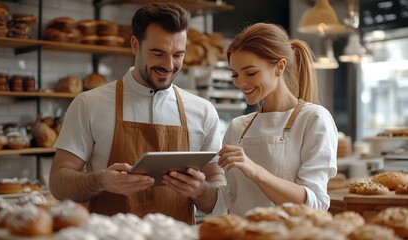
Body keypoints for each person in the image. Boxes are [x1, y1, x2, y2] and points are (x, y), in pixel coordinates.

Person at [49, 2, 225, 224]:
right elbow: (58, 183)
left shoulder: (203, 111)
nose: (169, 65)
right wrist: (101, 181)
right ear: (134, 45)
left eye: (178, 54)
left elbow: (217, 194)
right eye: (158, 53)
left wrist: (201, 190)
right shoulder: (89, 104)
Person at [211, 23, 338, 216]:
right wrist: (198, 190)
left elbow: (315, 204)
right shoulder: (238, 127)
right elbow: (230, 199)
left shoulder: (313, 119)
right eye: (235, 75)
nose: (241, 83)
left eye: (251, 73)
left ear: (279, 67)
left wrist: (255, 171)